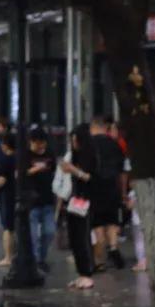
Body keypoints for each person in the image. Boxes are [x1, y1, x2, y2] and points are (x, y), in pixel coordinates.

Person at [60, 124, 96, 290]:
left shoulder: (90, 156)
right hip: (75, 200)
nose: (74, 144)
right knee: (74, 237)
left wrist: (73, 170)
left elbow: (89, 177)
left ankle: (87, 272)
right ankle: (81, 273)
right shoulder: (74, 156)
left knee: (83, 236)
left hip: (87, 199)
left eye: (76, 141)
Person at [89, 116, 127, 270]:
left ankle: (100, 261)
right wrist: (123, 192)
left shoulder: (89, 145)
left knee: (97, 226)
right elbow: (123, 171)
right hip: (112, 188)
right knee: (111, 222)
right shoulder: (114, 145)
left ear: (94, 127)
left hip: (95, 189)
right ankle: (113, 246)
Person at [26, 126, 56, 273]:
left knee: (49, 232)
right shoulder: (25, 155)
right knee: (32, 235)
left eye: (43, 143)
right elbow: (21, 173)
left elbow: (54, 172)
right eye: (38, 143)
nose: (41, 146)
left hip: (47, 199)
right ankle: (35, 260)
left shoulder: (50, 154)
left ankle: (41, 258)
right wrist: (36, 169)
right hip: (32, 201)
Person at [0, 133, 17, 267]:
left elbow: (2, 179)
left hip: (6, 194)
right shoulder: (18, 158)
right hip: (16, 194)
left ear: (5, 145)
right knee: (13, 227)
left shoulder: (4, 159)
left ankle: (7, 257)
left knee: (7, 228)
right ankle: (13, 255)